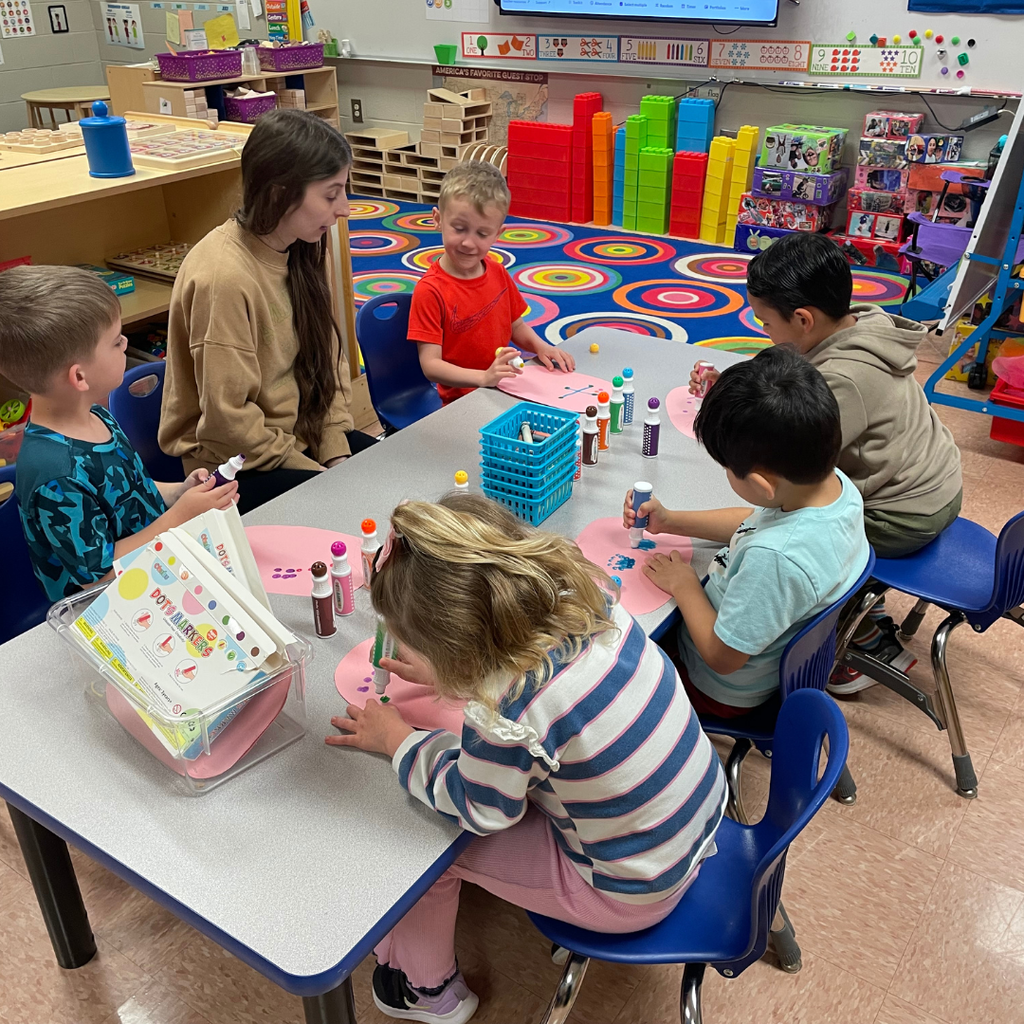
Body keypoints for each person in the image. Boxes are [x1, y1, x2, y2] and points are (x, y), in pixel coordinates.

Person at [327, 493, 726, 1024]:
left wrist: (397, 740)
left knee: (424, 850)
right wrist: (458, 677)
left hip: (632, 892)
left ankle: (429, 991)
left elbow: (481, 809)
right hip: (694, 825)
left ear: (453, 648)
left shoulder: (510, 708)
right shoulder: (591, 600)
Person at [692, 232, 963, 694]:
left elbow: (780, 481)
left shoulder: (841, 382)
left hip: (904, 513)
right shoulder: (863, 324)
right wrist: (742, 392)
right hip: (934, 479)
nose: (764, 333)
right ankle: (858, 613)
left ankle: (858, 634)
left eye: (765, 322)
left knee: (800, 538)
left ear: (802, 318)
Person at [631, 346, 869, 717]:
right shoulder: (833, 487)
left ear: (761, 485)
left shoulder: (775, 560)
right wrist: (672, 520)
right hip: (759, 663)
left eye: (726, 467)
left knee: (619, 658)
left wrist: (684, 584)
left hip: (716, 688)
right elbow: (753, 521)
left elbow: (721, 657)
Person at [159, 109, 376, 515]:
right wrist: (318, 474)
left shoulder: (302, 246)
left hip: (295, 439)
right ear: (279, 194)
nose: (344, 208)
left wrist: (334, 450)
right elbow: (228, 425)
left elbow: (327, 360)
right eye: (331, 194)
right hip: (236, 464)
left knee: (386, 482)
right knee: (348, 515)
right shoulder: (223, 278)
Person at [0, 266, 237, 602]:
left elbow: (127, 490)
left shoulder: (95, 415)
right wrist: (180, 517)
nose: (126, 343)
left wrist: (180, 492)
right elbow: (98, 576)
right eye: (116, 341)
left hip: (155, 573)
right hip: (105, 611)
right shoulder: (56, 475)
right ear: (79, 377)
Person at [409, 161, 575, 405]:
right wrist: (484, 377)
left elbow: (515, 326)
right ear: (438, 219)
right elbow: (431, 365)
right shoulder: (430, 290)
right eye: (459, 228)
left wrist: (541, 347)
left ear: (498, 234)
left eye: (482, 234)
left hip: (503, 387)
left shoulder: (497, 272)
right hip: (462, 401)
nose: (468, 243)